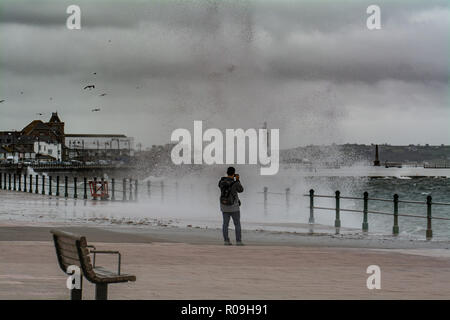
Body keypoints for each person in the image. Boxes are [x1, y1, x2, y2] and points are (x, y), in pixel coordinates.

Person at [218, 167, 244, 246]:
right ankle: (238, 241)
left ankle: (226, 241)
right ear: (234, 173)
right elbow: (241, 190)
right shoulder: (235, 182)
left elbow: (220, 186)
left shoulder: (221, 181)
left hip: (224, 205)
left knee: (225, 224)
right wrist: (238, 180)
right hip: (234, 206)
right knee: (237, 224)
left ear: (227, 172)